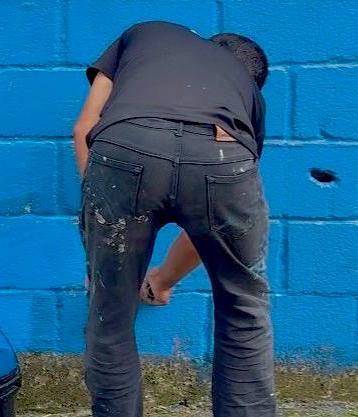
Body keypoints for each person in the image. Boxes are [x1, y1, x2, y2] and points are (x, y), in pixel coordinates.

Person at [72, 22, 273, 417]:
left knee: (109, 312)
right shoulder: (245, 93)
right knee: (243, 307)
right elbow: (214, 221)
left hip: (125, 145)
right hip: (223, 154)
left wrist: (104, 209)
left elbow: (85, 128)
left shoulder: (147, 34)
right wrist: (163, 280)